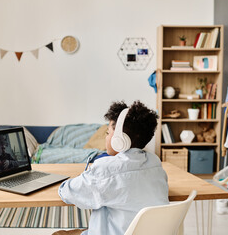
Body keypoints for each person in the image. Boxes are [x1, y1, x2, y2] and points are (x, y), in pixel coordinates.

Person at [53, 100, 169, 235]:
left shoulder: (106, 170)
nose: (106, 138)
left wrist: (88, 175)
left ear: (120, 140)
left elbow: (67, 192)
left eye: (108, 133)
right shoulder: (155, 162)